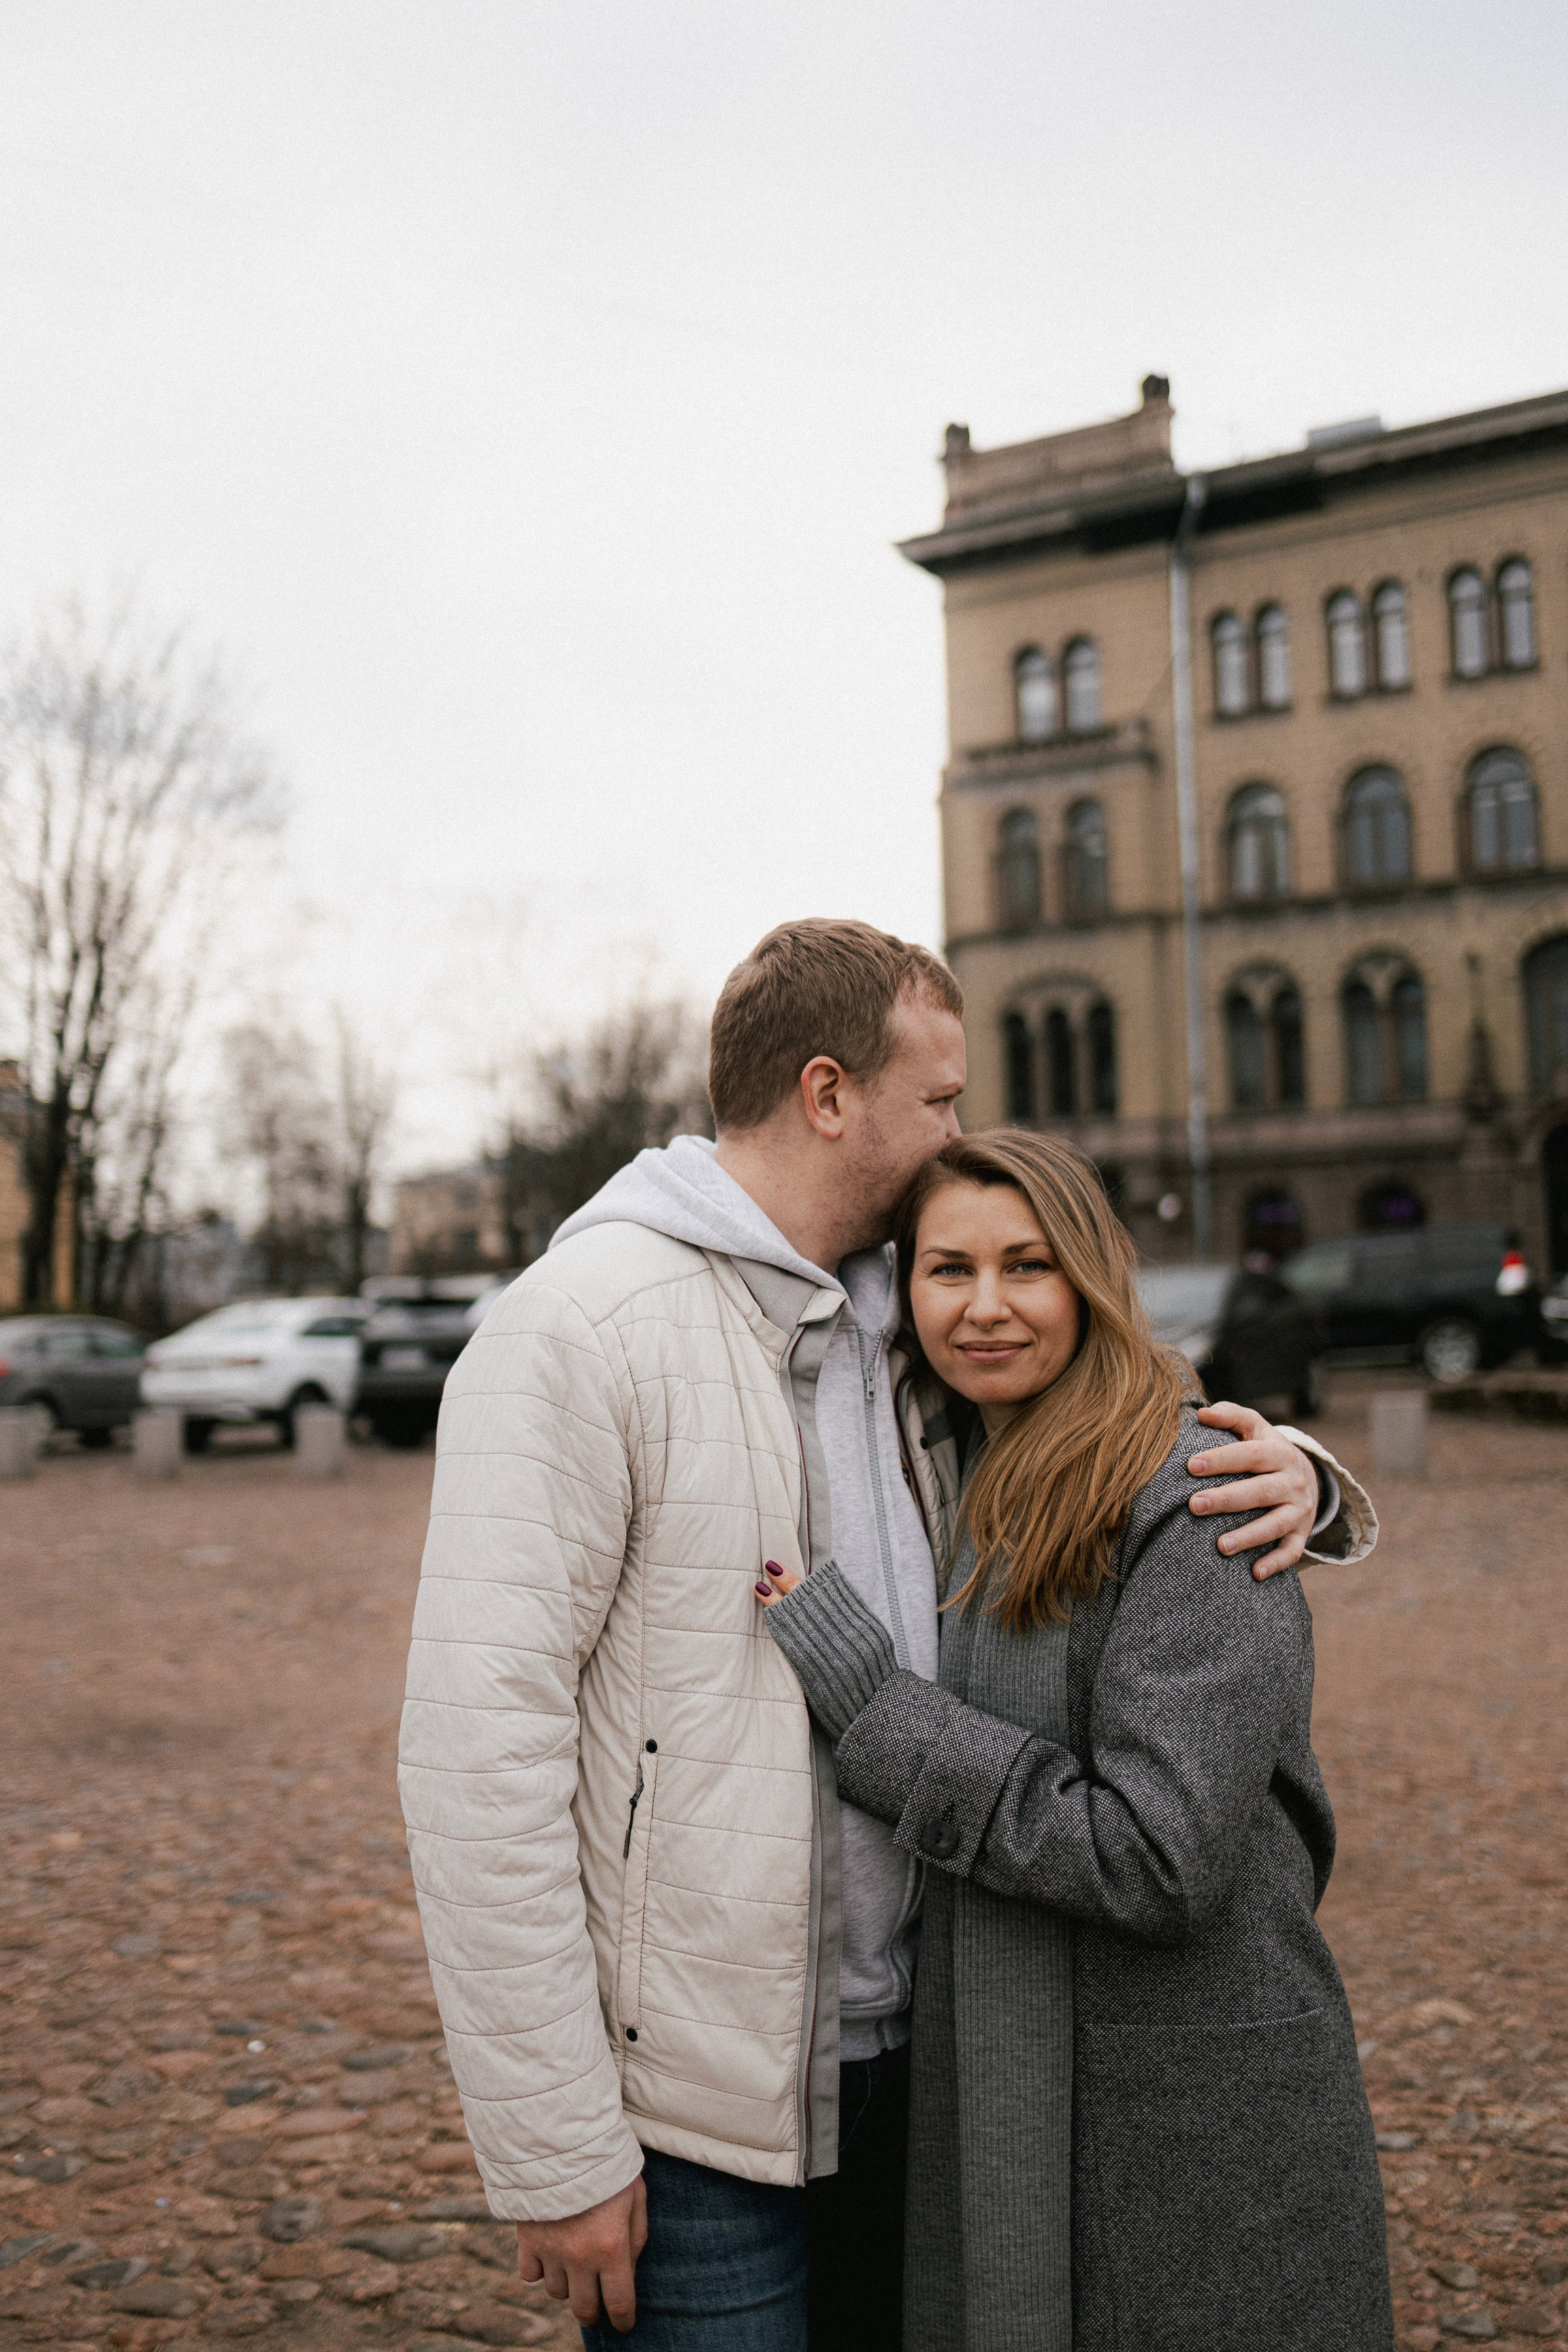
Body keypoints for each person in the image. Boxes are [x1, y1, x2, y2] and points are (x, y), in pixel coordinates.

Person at [397, 921, 1376, 2351]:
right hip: (703, 2118)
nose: (959, 1132)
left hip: (930, 2076)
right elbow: (478, 1765)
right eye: (942, 1099)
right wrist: (556, 2148)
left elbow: (1100, 1414)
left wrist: (1293, 1468)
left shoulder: (897, 1321)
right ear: (829, 1093)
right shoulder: (578, 1331)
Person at [759, 1128, 1392, 2352]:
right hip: (1017, 2094)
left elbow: (1161, 1856)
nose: (985, 1307)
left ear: (1090, 1280)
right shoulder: (946, 1470)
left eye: (1027, 1266)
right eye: (948, 1271)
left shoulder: (1201, 1494)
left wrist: (879, 1715)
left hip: (1195, 2136)